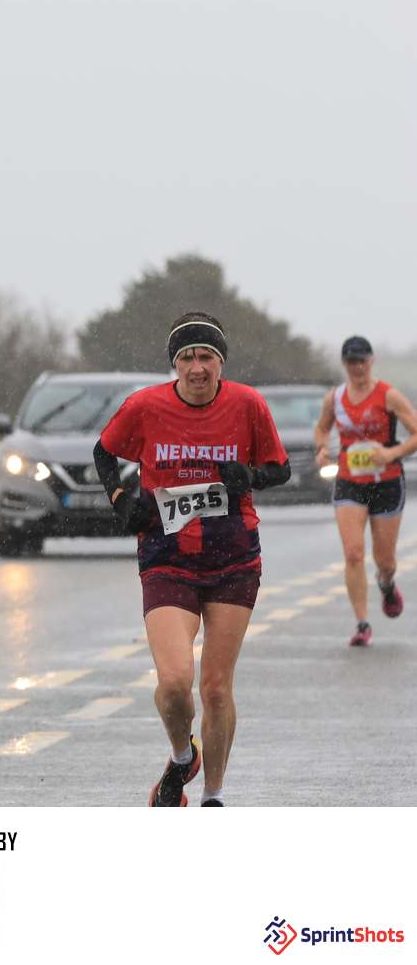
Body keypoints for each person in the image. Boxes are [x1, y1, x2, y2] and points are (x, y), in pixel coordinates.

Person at [93, 313, 290, 807]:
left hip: (233, 556)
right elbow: (103, 451)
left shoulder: (247, 404)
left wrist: (251, 477)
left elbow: (280, 469)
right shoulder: (145, 406)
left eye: (206, 357)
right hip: (167, 556)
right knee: (175, 684)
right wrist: (120, 499)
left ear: (221, 362)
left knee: (216, 689)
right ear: (174, 364)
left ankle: (213, 797)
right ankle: (183, 756)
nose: (197, 367)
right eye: (187, 358)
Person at [313, 335, 417, 646]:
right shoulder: (335, 398)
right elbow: (322, 428)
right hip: (350, 482)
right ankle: (362, 623)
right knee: (353, 553)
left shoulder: (388, 396)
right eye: (351, 362)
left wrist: (391, 453)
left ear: (371, 362)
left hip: (387, 482)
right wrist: (321, 449)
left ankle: (386, 584)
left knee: (385, 561)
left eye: (362, 361)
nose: (357, 367)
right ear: (344, 364)